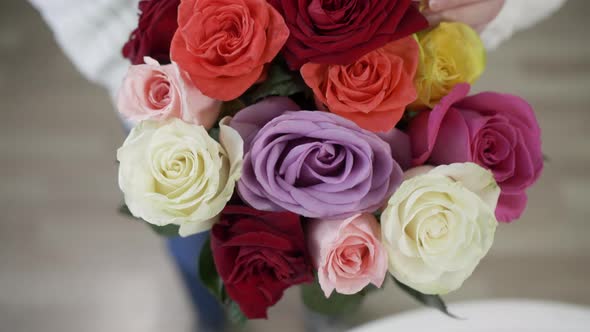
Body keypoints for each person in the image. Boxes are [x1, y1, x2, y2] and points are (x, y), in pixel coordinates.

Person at [28, 0, 566, 330]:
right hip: (166, 92)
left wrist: (495, 6)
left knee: (356, 249)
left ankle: (330, 316)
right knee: (185, 227)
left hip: (397, 55)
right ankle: (211, 318)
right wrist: (145, 62)